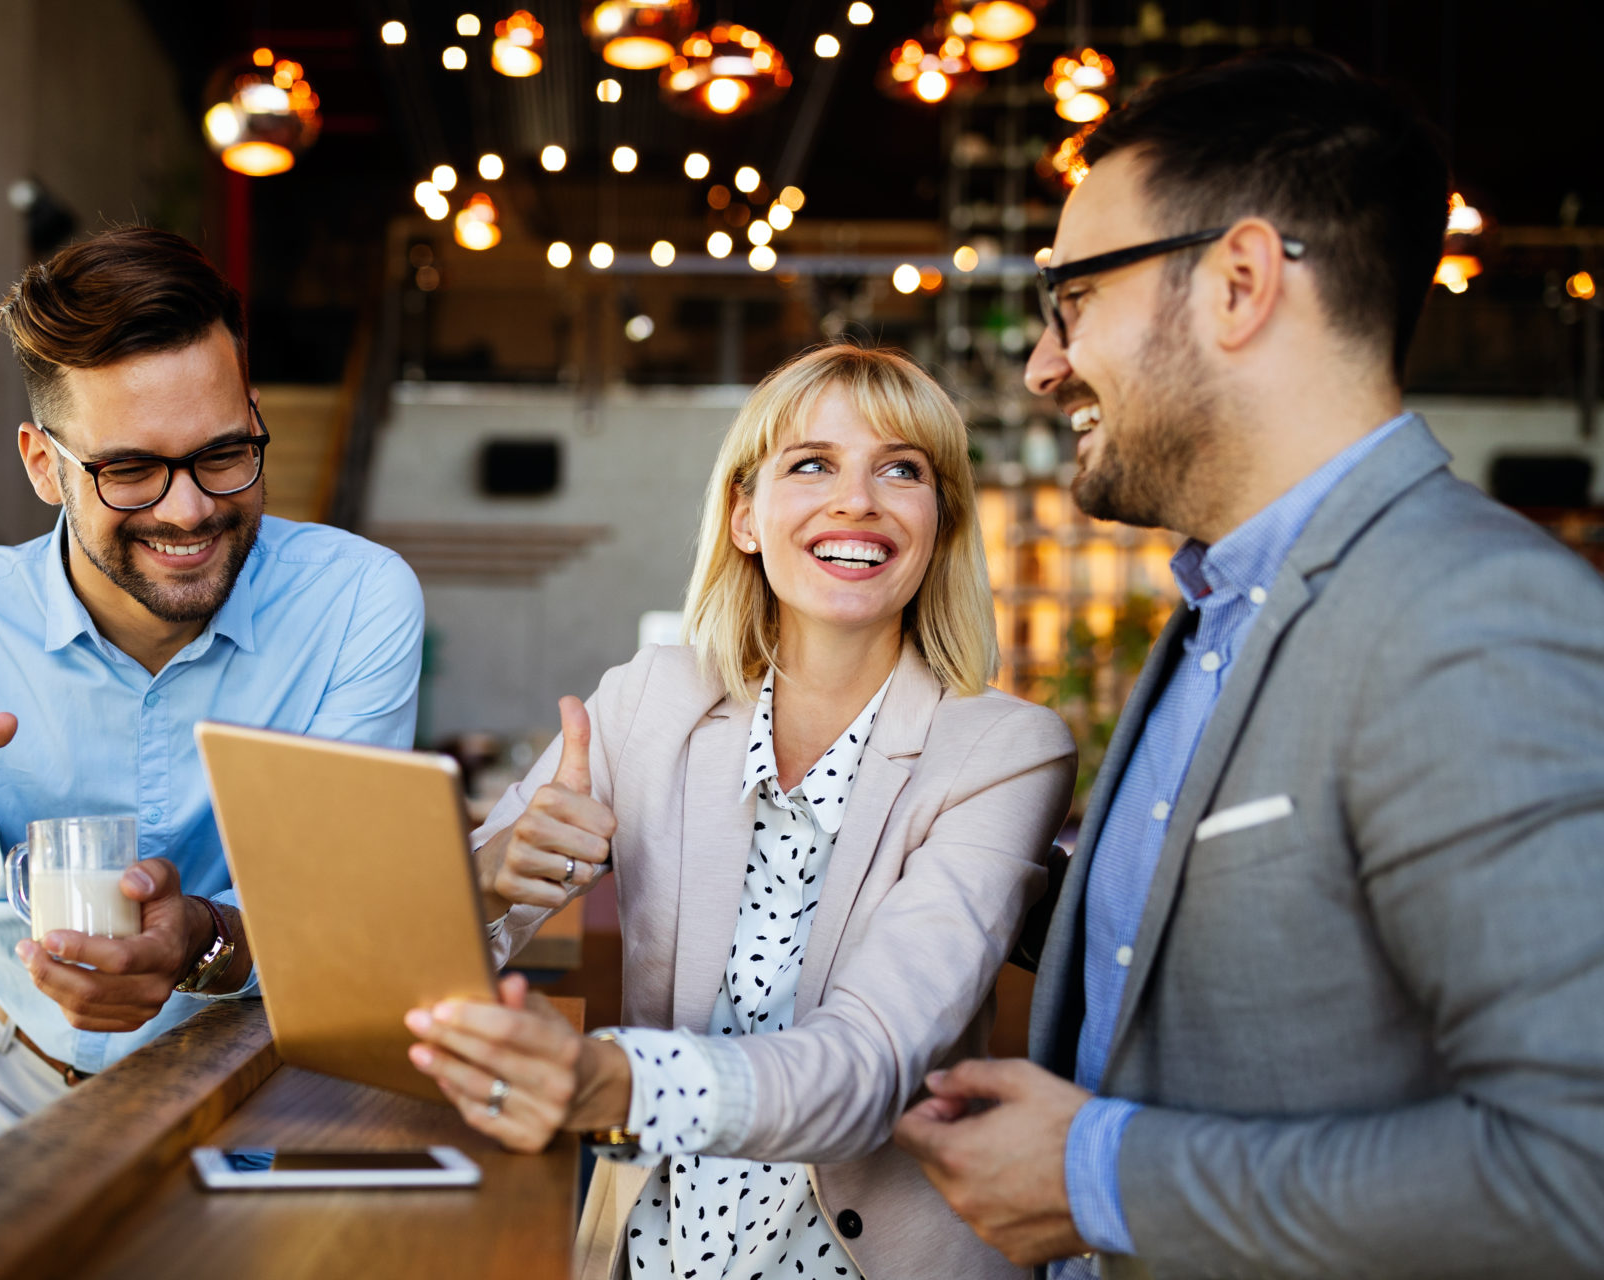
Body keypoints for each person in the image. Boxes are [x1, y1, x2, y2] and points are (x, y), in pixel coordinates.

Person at [891, 49, 1604, 1279]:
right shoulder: (1217, 603)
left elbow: (1569, 1172)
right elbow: (1226, 944)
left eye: (1074, 298)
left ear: (1238, 283)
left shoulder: (1475, 614)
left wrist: (1098, 1175)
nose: (1042, 363)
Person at [405, 344, 1076, 1280]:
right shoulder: (648, 700)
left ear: (938, 525)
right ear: (745, 517)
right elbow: (416, 957)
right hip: (649, 1244)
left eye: (901, 470)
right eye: (812, 464)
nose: (857, 501)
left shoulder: (1004, 751)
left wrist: (614, 1080)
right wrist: (491, 873)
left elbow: (869, 1065)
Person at [0, 226, 424, 1184]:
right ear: (43, 465)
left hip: (249, 1089)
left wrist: (202, 936)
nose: (189, 510)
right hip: (1, 1093)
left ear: (254, 417)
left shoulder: (357, 602)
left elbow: (336, 923)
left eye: (223, 453)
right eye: (132, 470)